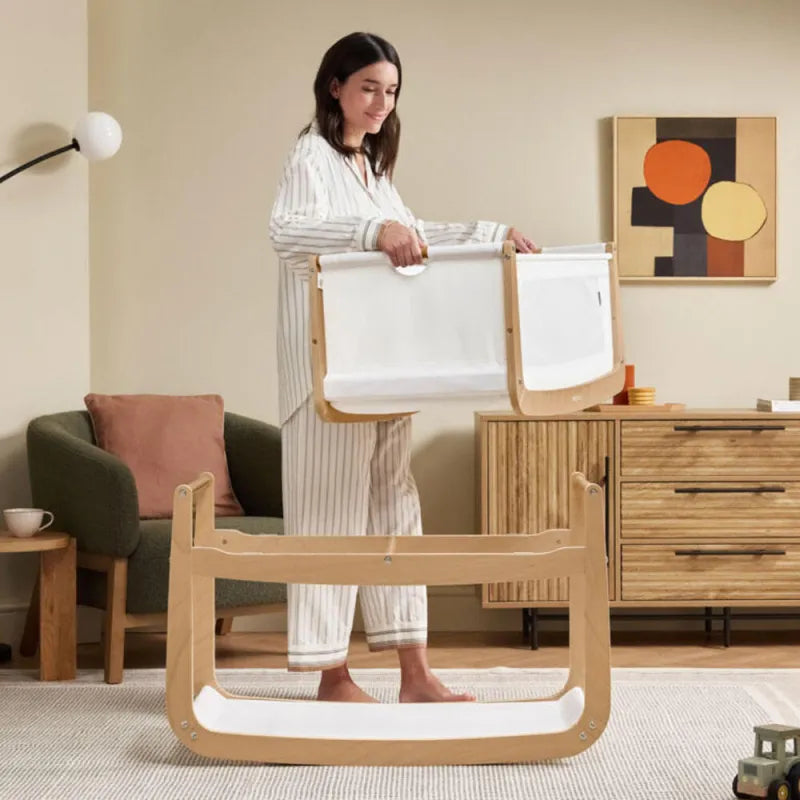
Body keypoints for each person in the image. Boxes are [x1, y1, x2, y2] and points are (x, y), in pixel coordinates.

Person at [269, 31, 537, 703]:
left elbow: (413, 233)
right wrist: (373, 232)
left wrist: (491, 234)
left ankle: (415, 675)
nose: (380, 103)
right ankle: (333, 676)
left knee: (396, 513)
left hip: (383, 366)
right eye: (368, 88)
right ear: (335, 86)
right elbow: (287, 232)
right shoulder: (311, 155)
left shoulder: (373, 171)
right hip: (329, 372)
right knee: (329, 517)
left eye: (390, 92)